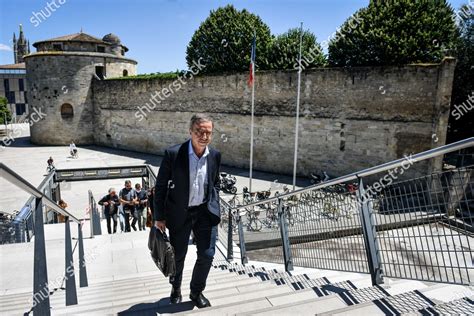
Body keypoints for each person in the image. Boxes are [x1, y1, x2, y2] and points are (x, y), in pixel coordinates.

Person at [154, 113, 221, 308]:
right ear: (190, 131)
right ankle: (175, 288)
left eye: (208, 132)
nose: (204, 136)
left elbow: (215, 182)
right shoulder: (173, 154)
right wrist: (159, 217)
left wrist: (214, 204)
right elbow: (160, 187)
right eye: (200, 131)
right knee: (178, 255)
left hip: (204, 213)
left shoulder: (215, 155)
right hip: (179, 213)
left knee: (207, 255)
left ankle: (196, 291)